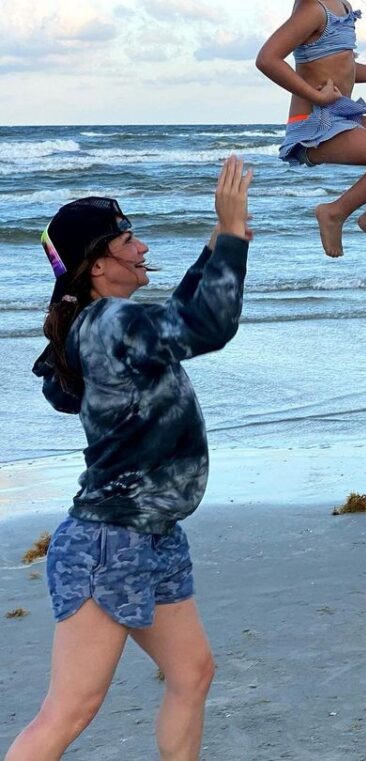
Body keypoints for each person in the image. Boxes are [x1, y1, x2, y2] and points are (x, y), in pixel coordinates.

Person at [5, 156, 253, 761]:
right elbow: (208, 325)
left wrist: (219, 243)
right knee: (69, 712)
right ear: (97, 262)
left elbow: (176, 322)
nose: (142, 247)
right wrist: (232, 236)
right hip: (110, 543)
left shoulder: (108, 325)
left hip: (151, 535)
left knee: (193, 673)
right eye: (127, 239)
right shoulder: (109, 323)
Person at [256, 0, 366, 259]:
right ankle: (335, 212)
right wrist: (315, 96)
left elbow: (343, 67)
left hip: (340, 118)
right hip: (314, 126)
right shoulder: (312, 9)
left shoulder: (342, 6)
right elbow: (266, 59)